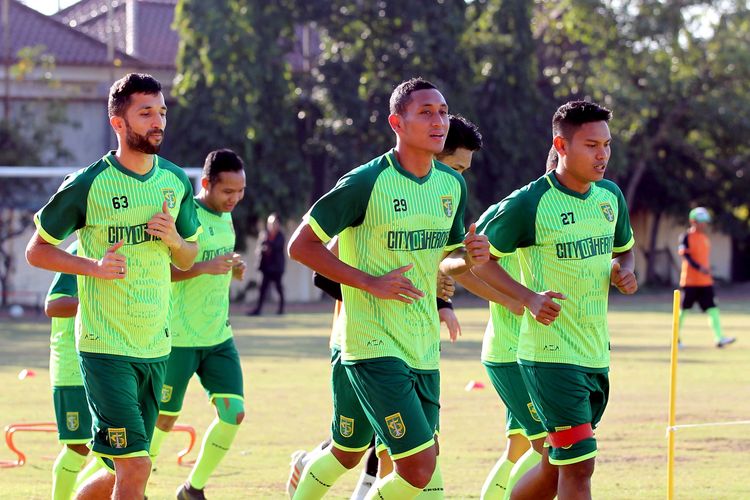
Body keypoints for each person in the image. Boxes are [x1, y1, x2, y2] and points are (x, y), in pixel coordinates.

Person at [287, 78, 490, 499]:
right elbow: (301, 246)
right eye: (426, 113)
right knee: (413, 467)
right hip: (371, 345)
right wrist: (368, 282)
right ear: (397, 122)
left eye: (443, 112)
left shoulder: (451, 186)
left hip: (423, 347)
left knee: (424, 466)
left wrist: (469, 257)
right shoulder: (366, 182)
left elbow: (447, 259)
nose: (439, 121)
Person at [26, 73, 201, 500]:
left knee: (121, 471)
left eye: (161, 112)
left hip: (155, 345)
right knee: (137, 465)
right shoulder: (89, 184)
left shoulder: (175, 181)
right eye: (146, 113)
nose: (158, 121)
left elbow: (189, 255)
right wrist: (92, 266)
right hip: (105, 347)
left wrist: (174, 240)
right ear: (118, 123)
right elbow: (37, 251)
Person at [471, 101, 638, 500]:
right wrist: (528, 298)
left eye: (607, 145)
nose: (602, 155)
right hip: (550, 356)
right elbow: (479, 263)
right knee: (580, 465)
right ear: (560, 146)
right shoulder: (529, 203)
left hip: (595, 351)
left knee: (555, 465)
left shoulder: (610, 197)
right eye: (591, 145)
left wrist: (623, 270)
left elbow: (624, 250)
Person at [147, 149, 248, 499]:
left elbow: (216, 260)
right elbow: (161, 271)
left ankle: (193, 489)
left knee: (233, 414)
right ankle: (133, 486)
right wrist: (204, 267)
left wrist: (233, 268)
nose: (234, 199)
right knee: (163, 421)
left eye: (240, 192)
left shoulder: (226, 216)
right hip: (177, 340)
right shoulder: (183, 216)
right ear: (205, 184)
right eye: (227, 192)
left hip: (218, 337)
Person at [479, 149, 559, 500]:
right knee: (548, 448)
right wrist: (513, 299)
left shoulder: (578, 213)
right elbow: (457, 262)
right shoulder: (516, 210)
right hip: (511, 353)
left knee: (518, 449)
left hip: (542, 353)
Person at [45, 241, 95, 500]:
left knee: (119, 447)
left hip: (107, 363)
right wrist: (97, 302)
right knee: (78, 447)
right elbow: (53, 305)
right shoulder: (80, 251)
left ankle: (87, 493)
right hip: (72, 367)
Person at [678, 207, 735, 348]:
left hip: (705, 281)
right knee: (683, 310)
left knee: (713, 309)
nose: (704, 225)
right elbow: (686, 256)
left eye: (705, 222)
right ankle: (676, 339)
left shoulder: (704, 238)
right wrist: (699, 268)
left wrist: (706, 270)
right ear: (693, 221)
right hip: (690, 281)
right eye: (701, 222)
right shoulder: (685, 237)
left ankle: (719, 338)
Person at [249, 213, 286, 315]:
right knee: (262, 290)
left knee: (279, 288)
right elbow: (259, 248)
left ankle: (281, 310)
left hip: (276, 268)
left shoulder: (280, 236)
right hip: (265, 268)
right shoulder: (264, 234)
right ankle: (258, 310)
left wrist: (267, 246)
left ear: (278, 224)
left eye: (274, 223)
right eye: (270, 223)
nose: (272, 225)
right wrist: (264, 248)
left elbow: (276, 247)